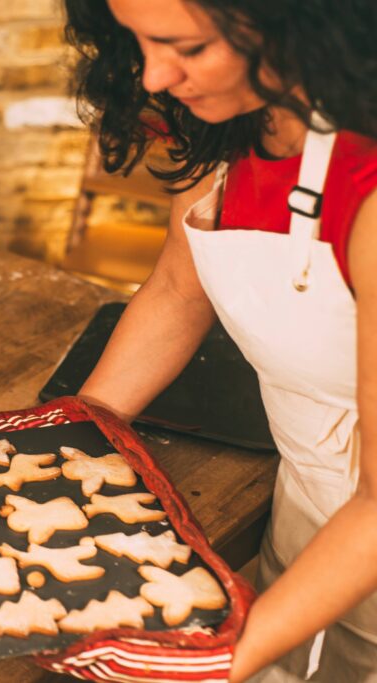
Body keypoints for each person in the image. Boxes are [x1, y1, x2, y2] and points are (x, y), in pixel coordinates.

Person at [62, 0, 377, 680]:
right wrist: (67, 440)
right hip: (306, 508)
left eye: (186, 48)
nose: (151, 77)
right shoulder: (230, 127)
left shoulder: (369, 184)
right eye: (138, 44)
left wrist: (215, 660)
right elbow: (178, 292)